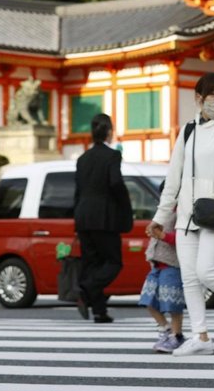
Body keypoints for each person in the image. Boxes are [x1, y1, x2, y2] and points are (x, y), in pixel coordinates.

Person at [146, 72, 214, 356]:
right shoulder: (187, 130)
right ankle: (201, 336)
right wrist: (160, 217)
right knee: (190, 279)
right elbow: (173, 178)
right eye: (213, 95)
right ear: (199, 98)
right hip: (185, 216)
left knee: (207, 271)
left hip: (212, 214)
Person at [74, 113, 132, 323]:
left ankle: (99, 311)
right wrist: (125, 205)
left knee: (92, 262)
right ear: (108, 131)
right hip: (104, 217)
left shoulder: (82, 159)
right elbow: (116, 183)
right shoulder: (112, 156)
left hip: (83, 216)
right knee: (113, 262)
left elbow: (78, 191)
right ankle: (87, 288)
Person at [139, 208, 186, 353]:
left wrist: (161, 235)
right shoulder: (162, 211)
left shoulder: (182, 212)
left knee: (172, 303)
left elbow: (182, 239)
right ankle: (166, 329)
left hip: (172, 264)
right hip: (157, 264)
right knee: (147, 299)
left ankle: (177, 335)